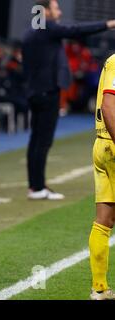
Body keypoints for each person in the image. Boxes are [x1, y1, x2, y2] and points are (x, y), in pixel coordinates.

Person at [22, 0, 115, 200]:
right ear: (44, 11)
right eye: (55, 8)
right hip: (47, 92)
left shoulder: (31, 32)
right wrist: (109, 23)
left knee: (35, 140)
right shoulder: (46, 28)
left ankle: (36, 185)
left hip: (35, 92)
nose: (59, 11)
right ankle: (38, 187)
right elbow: (76, 29)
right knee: (43, 141)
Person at [89, 53, 115, 300]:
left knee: (104, 219)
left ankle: (99, 288)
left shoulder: (111, 60)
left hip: (102, 146)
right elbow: (109, 105)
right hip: (113, 146)